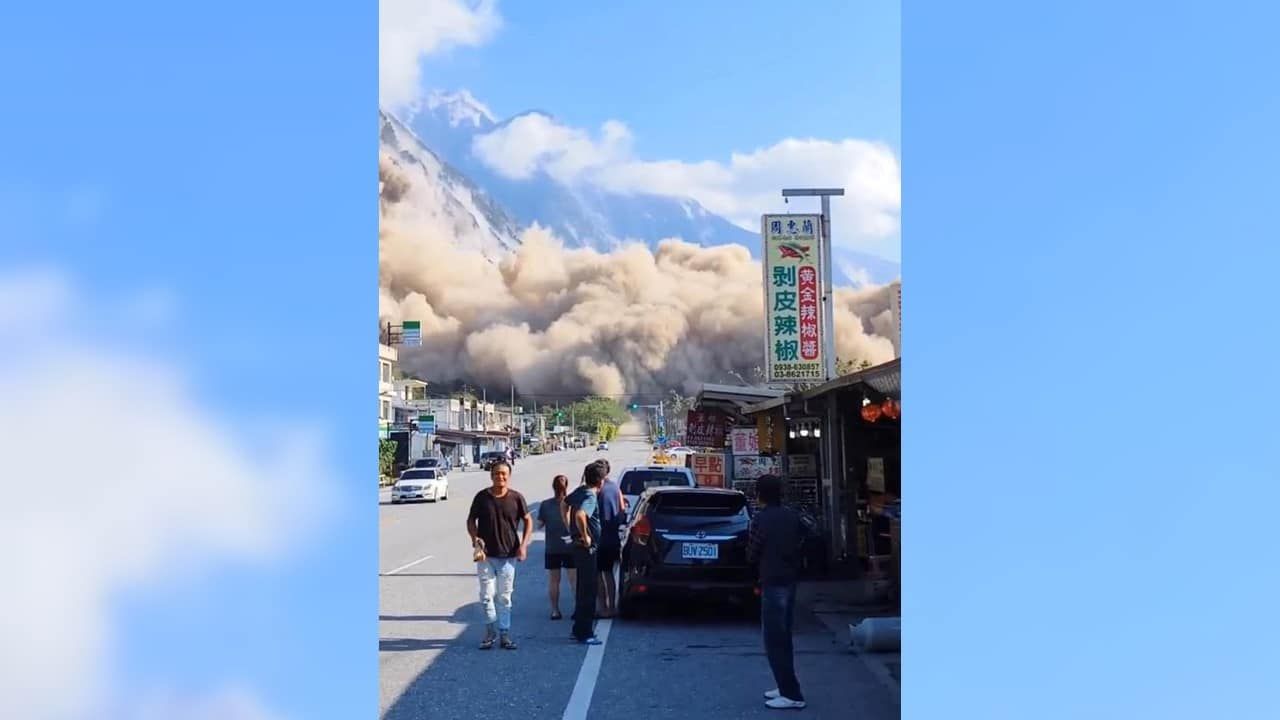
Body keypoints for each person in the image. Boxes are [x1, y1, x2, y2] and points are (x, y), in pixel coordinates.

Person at [746, 474, 808, 710]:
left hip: (772, 580)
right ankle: (784, 686)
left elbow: (752, 553)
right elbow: (809, 536)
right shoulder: (792, 516)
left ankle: (791, 694)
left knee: (774, 639)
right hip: (790, 579)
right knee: (784, 636)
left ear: (759, 494)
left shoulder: (761, 519)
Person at [466, 460, 531, 650]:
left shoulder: (516, 498)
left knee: (504, 597)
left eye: (503, 473)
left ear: (508, 476)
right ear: (491, 475)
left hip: (509, 555)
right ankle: (489, 632)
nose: (500, 477)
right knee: (486, 595)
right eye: (496, 473)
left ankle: (505, 634)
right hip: (486, 556)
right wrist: (475, 537)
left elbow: (528, 521)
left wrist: (524, 545)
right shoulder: (482, 497)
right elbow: (471, 520)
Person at [564, 462, 605, 644]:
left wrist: (569, 527)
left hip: (577, 546)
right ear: (600, 481)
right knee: (588, 591)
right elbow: (580, 514)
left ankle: (577, 629)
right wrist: (585, 535)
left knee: (582, 589)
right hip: (587, 548)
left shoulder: (580, 491)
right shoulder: (590, 495)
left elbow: (564, 505)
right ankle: (585, 633)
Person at [536, 474, 576, 620]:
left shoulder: (546, 504)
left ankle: (555, 610)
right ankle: (577, 609)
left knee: (554, 580)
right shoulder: (572, 504)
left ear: (553, 487)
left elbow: (539, 524)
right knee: (573, 580)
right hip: (570, 546)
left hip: (552, 547)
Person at [594, 459, 625, 618]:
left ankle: (603, 608)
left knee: (599, 574)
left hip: (600, 538)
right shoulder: (615, 488)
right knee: (610, 574)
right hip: (613, 537)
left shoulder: (598, 490)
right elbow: (622, 510)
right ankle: (612, 607)